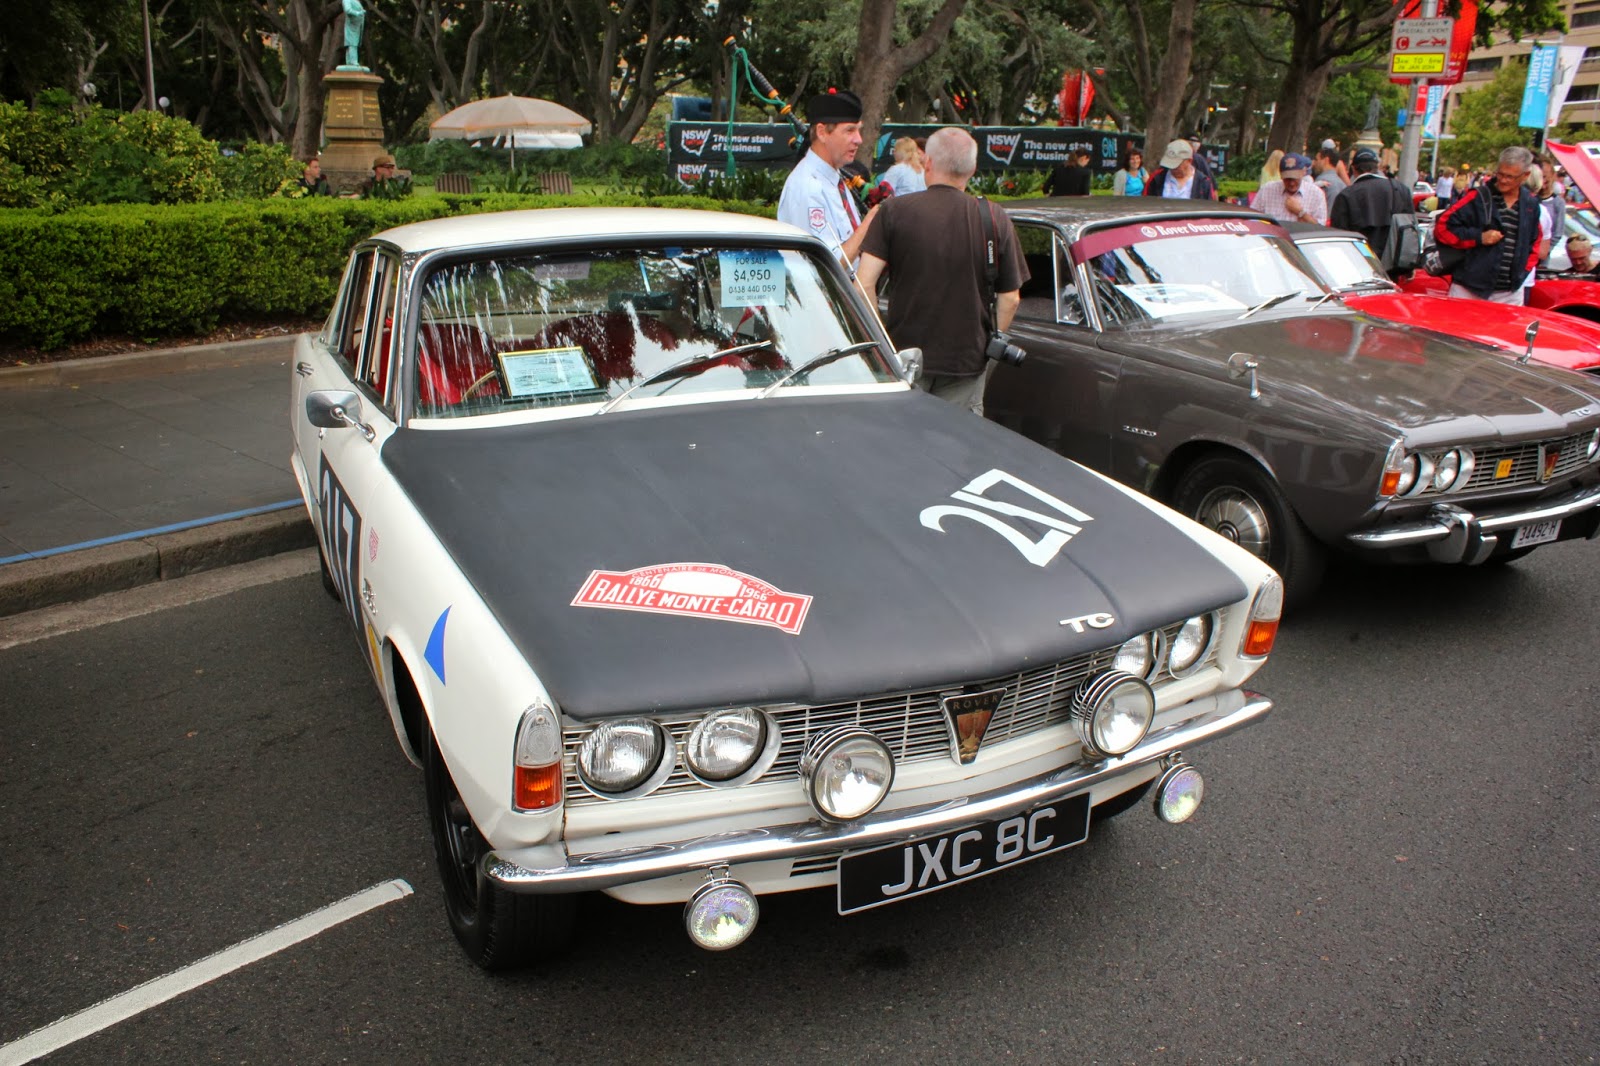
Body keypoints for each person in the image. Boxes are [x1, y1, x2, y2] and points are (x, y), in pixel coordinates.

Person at [856, 127, 1029, 415]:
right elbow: (1010, 298)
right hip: (967, 363)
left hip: (905, 360)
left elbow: (863, 284)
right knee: (957, 452)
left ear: (928, 163)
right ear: (972, 169)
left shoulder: (894, 211)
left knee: (902, 448)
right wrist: (986, 341)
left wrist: (882, 345)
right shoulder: (994, 217)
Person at [777, 89, 877, 271]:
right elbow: (827, 264)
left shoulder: (834, 179)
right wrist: (871, 221)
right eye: (850, 130)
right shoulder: (807, 186)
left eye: (859, 130)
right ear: (822, 132)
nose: (859, 140)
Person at [1435, 145, 1542, 304]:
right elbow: (1442, 227)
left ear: (1525, 176)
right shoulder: (1477, 197)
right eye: (1501, 174)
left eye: (1510, 177)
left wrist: (1522, 273)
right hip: (1469, 288)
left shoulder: (1530, 204)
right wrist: (1478, 237)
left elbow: (1534, 242)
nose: (1504, 180)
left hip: (1510, 293)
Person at [1330, 148, 1413, 274]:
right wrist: (1409, 265)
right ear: (1377, 167)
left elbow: (1338, 237)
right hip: (1394, 267)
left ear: (1353, 169)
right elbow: (1409, 230)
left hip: (1359, 267)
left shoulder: (1347, 195)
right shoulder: (1401, 190)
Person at [1252, 153, 1328, 224]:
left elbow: (1320, 228)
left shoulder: (1316, 194)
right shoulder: (1267, 190)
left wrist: (1300, 212)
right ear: (1281, 176)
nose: (1291, 183)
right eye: (1287, 178)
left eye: (1295, 178)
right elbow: (1252, 219)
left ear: (1303, 172)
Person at [1143, 139, 1216, 200]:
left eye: (1177, 164)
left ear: (1189, 161)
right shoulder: (1156, 179)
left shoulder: (1203, 183)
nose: (1173, 168)